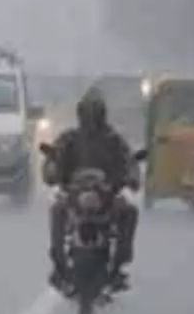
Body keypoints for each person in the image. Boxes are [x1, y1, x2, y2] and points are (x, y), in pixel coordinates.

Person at [46, 88, 141, 292]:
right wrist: (52, 172)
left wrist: (131, 178)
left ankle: (119, 263)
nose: (91, 119)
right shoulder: (69, 139)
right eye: (87, 113)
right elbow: (53, 159)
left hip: (106, 195)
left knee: (129, 211)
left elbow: (129, 161)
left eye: (95, 113)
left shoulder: (114, 140)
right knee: (58, 210)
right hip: (75, 194)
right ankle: (59, 261)